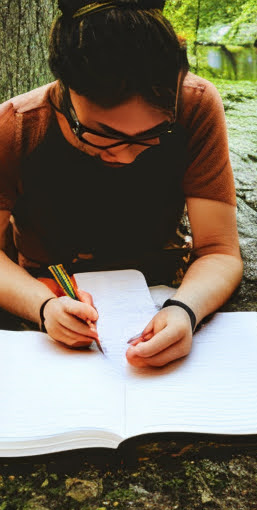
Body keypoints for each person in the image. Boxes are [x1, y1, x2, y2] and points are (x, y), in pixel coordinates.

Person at [0, 0, 243, 368]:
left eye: (154, 134)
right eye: (102, 135)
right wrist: (44, 305)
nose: (127, 156)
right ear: (66, 88)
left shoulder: (195, 106)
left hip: (159, 281)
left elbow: (219, 250)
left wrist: (185, 311)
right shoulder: (18, 126)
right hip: (46, 283)